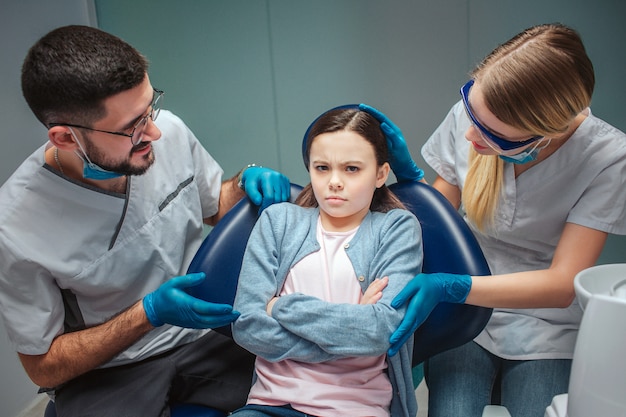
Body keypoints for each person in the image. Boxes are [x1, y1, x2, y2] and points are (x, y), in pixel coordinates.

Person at [0, 25, 291, 416]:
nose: (153, 130)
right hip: (115, 369)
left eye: (150, 107)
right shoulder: (15, 227)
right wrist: (147, 314)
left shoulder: (166, 131)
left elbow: (213, 205)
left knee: (318, 382)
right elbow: (43, 364)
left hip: (208, 335)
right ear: (65, 138)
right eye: (130, 127)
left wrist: (243, 183)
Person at [363, 23, 626, 417]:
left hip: (547, 325)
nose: (470, 135)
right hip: (467, 314)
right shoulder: (477, 116)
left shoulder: (607, 158)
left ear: (544, 134)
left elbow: (561, 285)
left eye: (491, 133)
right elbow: (430, 225)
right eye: (471, 115)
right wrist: (411, 185)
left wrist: (453, 286)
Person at [229, 105, 423, 417]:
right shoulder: (278, 222)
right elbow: (247, 325)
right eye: (322, 168)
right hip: (271, 405)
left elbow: (381, 331)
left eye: (351, 169)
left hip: (357, 408)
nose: (334, 181)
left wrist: (279, 307)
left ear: (381, 174)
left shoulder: (396, 228)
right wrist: (350, 331)